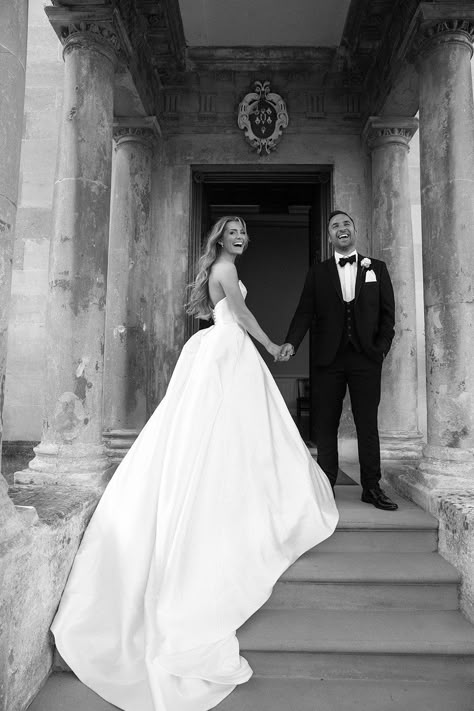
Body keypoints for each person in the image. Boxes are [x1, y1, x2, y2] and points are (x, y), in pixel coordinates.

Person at [51, 216, 339, 711]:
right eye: (232, 232)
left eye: (244, 231)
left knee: (232, 432)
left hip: (220, 351)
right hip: (230, 350)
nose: (240, 237)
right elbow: (243, 316)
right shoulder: (225, 270)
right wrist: (271, 346)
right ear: (219, 240)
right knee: (224, 432)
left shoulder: (222, 269)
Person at [279, 210, 397, 511]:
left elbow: (388, 316)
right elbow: (304, 311)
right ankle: (325, 485)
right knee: (324, 424)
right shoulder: (318, 272)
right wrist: (292, 343)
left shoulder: (377, 269)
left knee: (367, 423)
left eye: (346, 224)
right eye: (335, 226)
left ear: (354, 231)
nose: (341, 229)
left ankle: (371, 486)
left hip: (366, 359)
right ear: (329, 236)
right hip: (327, 360)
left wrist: (380, 349)